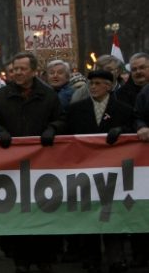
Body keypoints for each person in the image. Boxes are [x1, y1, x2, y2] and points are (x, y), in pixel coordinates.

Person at [0, 52, 65, 273]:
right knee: (17, 213)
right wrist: (0, 132)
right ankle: (20, 260)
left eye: (23, 69)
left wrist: (53, 129)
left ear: (33, 71)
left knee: (43, 211)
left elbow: (61, 119)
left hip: (43, 166)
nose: (18, 73)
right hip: (12, 167)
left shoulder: (49, 96)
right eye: (15, 69)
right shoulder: (0, 96)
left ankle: (45, 259)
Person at [66, 70, 134, 272]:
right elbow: (67, 132)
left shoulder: (123, 109)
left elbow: (133, 127)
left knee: (113, 214)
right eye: (91, 83)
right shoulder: (77, 109)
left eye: (97, 83)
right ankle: (91, 258)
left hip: (114, 173)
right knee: (88, 214)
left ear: (109, 86)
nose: (93, 87)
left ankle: (116, 257)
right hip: (85, 170)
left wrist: (122, 130)